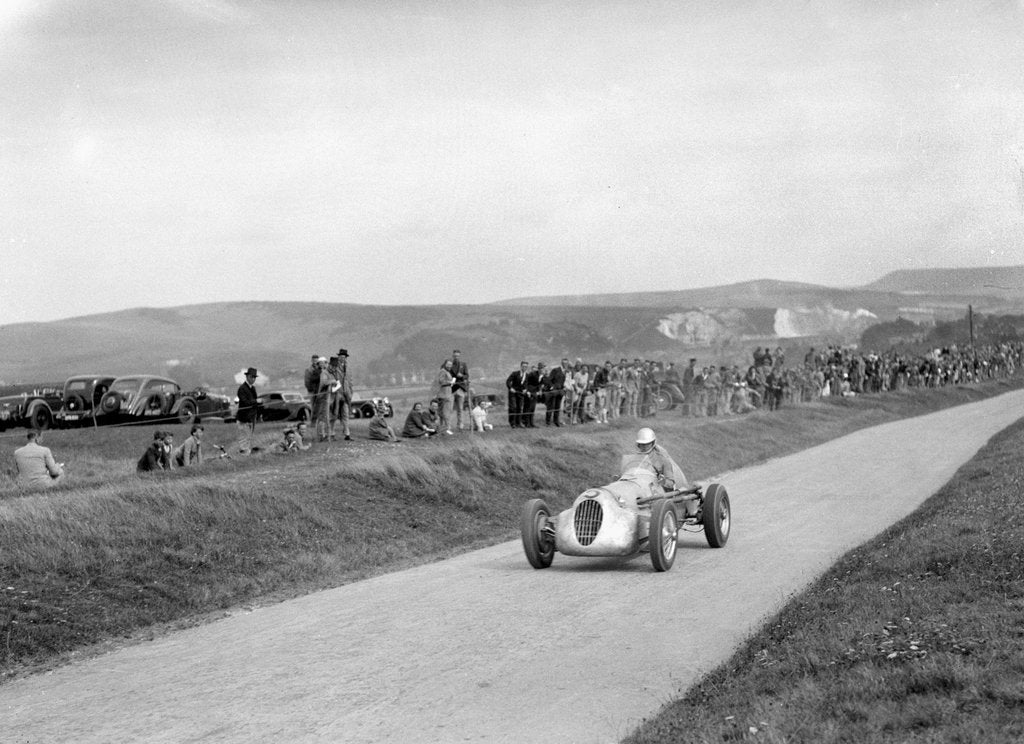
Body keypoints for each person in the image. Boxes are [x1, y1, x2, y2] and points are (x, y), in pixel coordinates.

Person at [624, 427, 696, 515]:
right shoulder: (634, 458)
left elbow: (670, 483)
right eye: (641, 444)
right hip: (638, 491)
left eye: (647, 444)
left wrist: (663, 481)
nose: (644, 446)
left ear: (653, 443)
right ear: (638, 444)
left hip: (655, 494)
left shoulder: (662, 459)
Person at [236, 366, 261, 454]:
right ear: (247, 377)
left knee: (249, 437)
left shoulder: (253, 388)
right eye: (251, 377)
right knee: (243, 438)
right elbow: (245, 402)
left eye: (254, 377)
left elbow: (254, 403)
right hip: (243, 418)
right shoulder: (242, 388)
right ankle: (243, 455)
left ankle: (246, 454)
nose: (253, 379)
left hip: (251, 418)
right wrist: (256, 401)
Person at [331, 348, 354, 441]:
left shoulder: (348, 368)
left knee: (345, 414)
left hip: (346, 394)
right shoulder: (334, 366)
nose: (342, 358)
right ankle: (331, 433)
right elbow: (331, 377)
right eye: (340, 356)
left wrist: (350, 392)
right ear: (338, 357)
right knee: (334, 414)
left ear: (346, 358)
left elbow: (350, 381)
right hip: (337, 393)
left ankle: (347, 434)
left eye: (343, 357)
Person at [450, 349, 470, 431]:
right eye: (455, 356)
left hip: (460, 388)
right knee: (450, 408)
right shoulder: (448, 364)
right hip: (451, 388)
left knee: (460, 408)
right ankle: (448, 426)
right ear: (452, 356)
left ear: (460, 356)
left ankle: (460, 425)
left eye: (457, 356)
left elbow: (467, 375)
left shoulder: (463, 364)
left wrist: (462, 376)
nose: (456, 357)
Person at [433, 359, 455, 435]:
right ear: (445, 364)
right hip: (444, 394)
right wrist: (450, 382)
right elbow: (441, 381)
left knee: (444, 412)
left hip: (447, 393)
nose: (449, 366)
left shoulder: (447, 372)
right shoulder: (442, 371)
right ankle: (447, 428)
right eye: (448, 364)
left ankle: (443, 428)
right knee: (446, 412)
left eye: (451, 365)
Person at [506, 361, 528, 428]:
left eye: (526, 366)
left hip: (520, 394)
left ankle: (518, 422)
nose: (524, 367)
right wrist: (510, 388)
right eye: (523, 366)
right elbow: (508, 381)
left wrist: (525, 389)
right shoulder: (515, 373)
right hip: (513, 393)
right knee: (513, 407)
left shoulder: (527, 375)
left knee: (519, 408)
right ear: (521, 366)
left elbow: (527, 384)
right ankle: (512, 423)